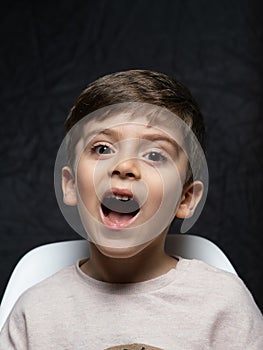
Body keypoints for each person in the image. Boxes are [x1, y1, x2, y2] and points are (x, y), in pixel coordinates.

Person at [0, 70, 262, 350]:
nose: (124, 166)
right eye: (102, 149)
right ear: (71, 185)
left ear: (185, 199)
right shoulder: (35, 312)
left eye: (154, 155)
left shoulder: (223, 303)